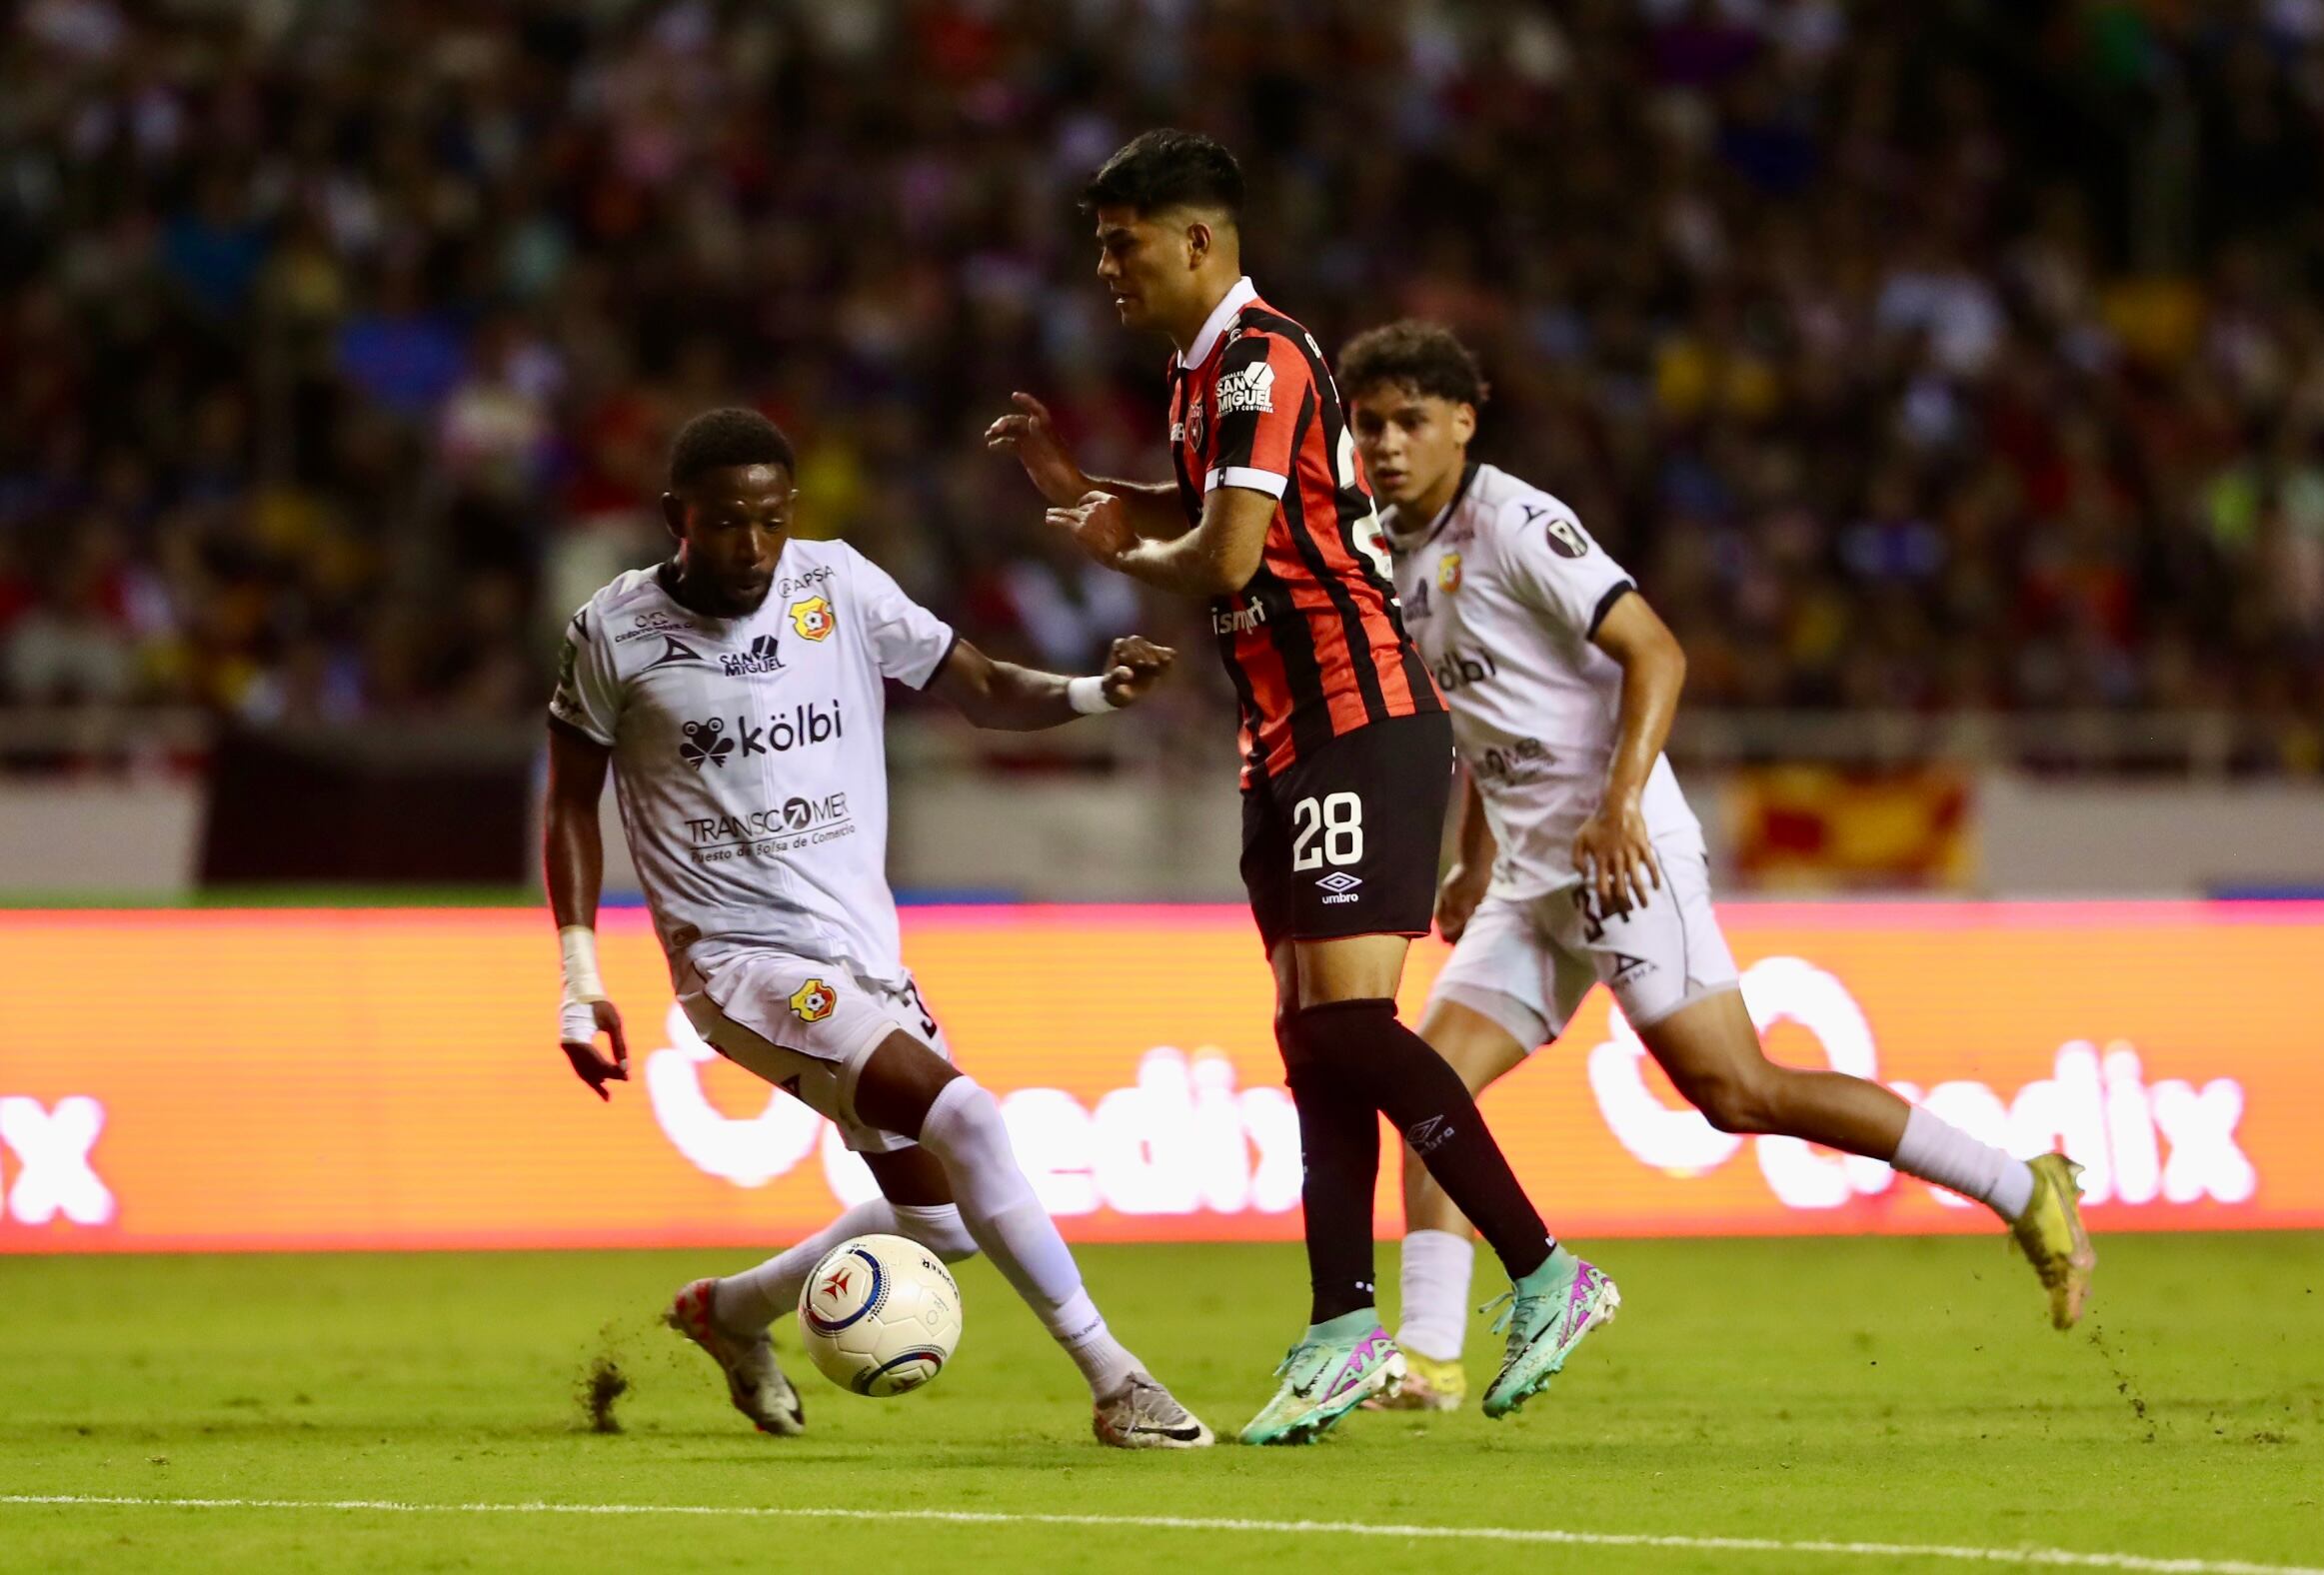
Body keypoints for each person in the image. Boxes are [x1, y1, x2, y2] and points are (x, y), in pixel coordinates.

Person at [1331, 320, 2097, 1411]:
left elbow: (1655, 650)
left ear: (1464, 420)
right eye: (1371, 425)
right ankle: (1433, 1357)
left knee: (1738, 1091)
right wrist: (1471, 857)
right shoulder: (1394, 547)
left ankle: (2023, 1185)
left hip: (1620, 851)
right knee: (1429, 1088)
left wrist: (1618, 808)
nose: (1390, 443)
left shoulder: (1516, 523)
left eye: (1412, 420)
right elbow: (1498, 716)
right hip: (1530, 875)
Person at [987, 131, 1611, 1442]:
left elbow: (1224, 559)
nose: (1106, 265)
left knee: (1345, 1025)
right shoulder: (1201, 373)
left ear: (1198, 239)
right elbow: (1196, 506)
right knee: (1306, 1041)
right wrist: (1077, 489)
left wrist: (1116, 546)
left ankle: (1549, 1270)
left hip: (1357, 711)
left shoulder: (1265, 356)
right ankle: (1340, 1328)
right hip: (1279, 736)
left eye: (1123, 240)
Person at [542, 407, 1207, 1448]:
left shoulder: (837, 584)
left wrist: (1092, 692)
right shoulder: (614, 631)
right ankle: (1119, 1382)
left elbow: (980, 687)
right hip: (739, 963)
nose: (752, 547)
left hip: (862, 957)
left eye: (769, 520)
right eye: (724, 523)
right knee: (974, 1121)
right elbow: (568, 800)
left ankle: (730, 1314)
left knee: (944, 1224)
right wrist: (580, 979)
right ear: (677, 517)